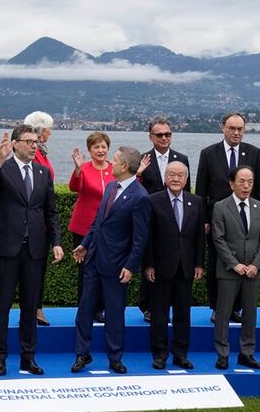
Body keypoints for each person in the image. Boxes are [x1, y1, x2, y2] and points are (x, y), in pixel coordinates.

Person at [0, 124, 64, 376]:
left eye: (35, 142)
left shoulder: (42, 172)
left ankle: (28, 357)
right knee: (3, 304)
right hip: (7, 248)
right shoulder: (3, 169)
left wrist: (57, 242)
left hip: (35, 249)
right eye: (28, 141)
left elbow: (50, 211)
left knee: (30, 306)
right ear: (15, 144)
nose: (34, 146)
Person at [71, 146, 150, 374]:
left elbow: (140, 237)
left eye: (114, 160)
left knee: (115, 314)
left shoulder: (140, 196)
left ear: (125, 166)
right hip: (94, 259)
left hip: (117, 265)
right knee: (84, 309)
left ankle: (115, 358)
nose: (110, 163)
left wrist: (130, 266)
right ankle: (81, 354)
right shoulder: (110, 187)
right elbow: (97, 222)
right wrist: (84, 245)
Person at [195, 112, 260, 323]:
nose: (236, 132)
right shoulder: (208, 153)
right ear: (223, 128)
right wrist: (204, 220)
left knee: (243, 261)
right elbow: (201, 188)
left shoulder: (254, 153)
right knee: (217, 263)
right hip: (217, 219)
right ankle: (217, 307)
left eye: (240, 129)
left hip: (245, 220)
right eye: (232, 128)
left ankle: (236, 308)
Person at [144, 160, 204, 370]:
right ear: (165, 178)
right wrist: (149, 264)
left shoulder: (195, 202)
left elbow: (198, 238)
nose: (176, 179)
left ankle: (181, 354)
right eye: (172, 175)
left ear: (186, 179)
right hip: (160, 267)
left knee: (183, 314)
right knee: (159, 314)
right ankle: (159, 354)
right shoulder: (153, 201)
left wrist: (199, 264)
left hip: (186, 267)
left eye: (180, 175)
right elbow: (148, 236)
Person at [212, 165, 260, 370]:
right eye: (242, 181)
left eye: (250, 182)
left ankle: (247, 352)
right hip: (229, 270)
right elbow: (218, 239)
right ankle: (223, 353)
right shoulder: (220, 207)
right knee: (224, 313)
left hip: (253, 271)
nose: (246, 186)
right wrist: (234, 264)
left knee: (250, 314)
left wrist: (255, 264)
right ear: (232, 183)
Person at [136, 116, 191, 323]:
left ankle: (168, 305)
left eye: (167, 134)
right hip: (150, 219)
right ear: (151, 137)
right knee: (149, 263)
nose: (164, 138)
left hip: (175, 219)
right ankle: (147, 305)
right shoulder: (143, 159)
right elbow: (135, 188)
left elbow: (188, 190)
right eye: (159, 135)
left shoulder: (182, 158)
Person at [68, 131, 114, 318]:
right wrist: (78, 169)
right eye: (96, 147)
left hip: (108, 229)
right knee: (86, 270)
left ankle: (100, 309)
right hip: (84, 229)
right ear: (90, 149)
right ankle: (85, 308)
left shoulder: (114, 168)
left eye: (103, 146)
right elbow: (74, 187)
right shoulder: (84, 168)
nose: (100, 150)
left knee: (105, 268)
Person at [23, 110, 56, 326]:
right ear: (41, 132)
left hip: (42, 222)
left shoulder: (43, 153)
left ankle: (37, 308)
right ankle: (34, 309)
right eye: (49, 130)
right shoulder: (36, 155)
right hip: (33, 222)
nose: (51, 134)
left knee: (38, 269)